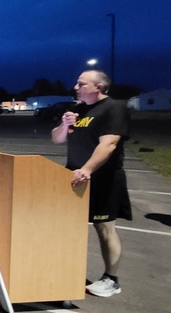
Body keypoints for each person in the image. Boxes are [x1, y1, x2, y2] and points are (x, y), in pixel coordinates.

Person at [52, 69, 131, 299]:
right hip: (74, 176)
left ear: (99, 86)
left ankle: (111, 279)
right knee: (69, 226)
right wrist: (64, 124)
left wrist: (87, 169)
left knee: (105, 228)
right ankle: (67, 269)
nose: (76, 87)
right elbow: (57, 139)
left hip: (102, 178)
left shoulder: (114, 108)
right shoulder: (76, 109)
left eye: (81, 84)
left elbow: (109, 144)